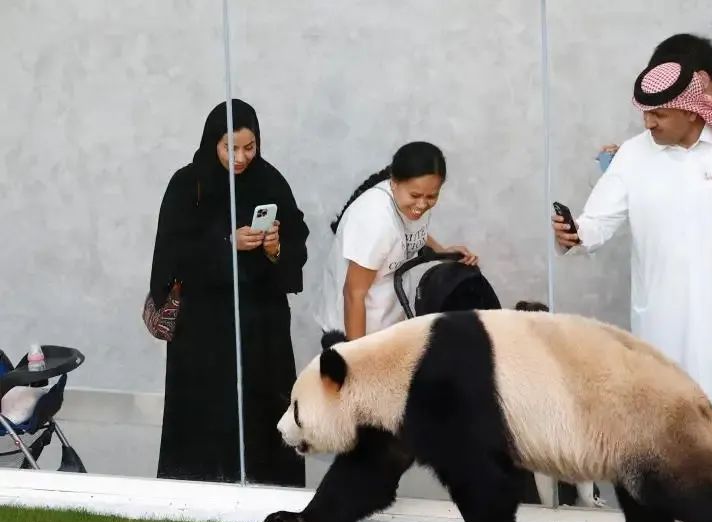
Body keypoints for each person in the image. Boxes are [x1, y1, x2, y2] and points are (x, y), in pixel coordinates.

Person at [553, 57, 712, 522]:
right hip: (662, 320)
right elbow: (597, 223)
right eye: (644, 114)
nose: (648, 123)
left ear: (692, 111)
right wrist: (574, 235)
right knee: (666, 419)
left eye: (658, 115)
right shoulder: (633, 155)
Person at [149, 99, 309, 487]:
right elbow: (172, 254)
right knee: (205, 413)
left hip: (262, 326)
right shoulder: (188, 185)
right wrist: (227, 243)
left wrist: (275, 248)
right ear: (212, 143)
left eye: (249, 147)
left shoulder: (269, 179)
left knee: (264, 407)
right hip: (203, 332)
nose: (241, 158)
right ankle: (196, 495)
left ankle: (271, 493)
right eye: (230, 148)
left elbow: (297, 238)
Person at [315, 141, 478, 341]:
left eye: (432, 196)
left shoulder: (412, 205)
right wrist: (355, 357)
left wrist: (442, 252)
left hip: (388, 327)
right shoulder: (374, 220)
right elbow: (353, 294)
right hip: (356, 332)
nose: (422, 204)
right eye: (416, 195)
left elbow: (406, 231)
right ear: (394, 183)